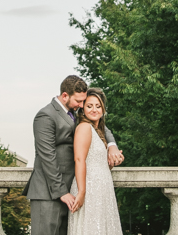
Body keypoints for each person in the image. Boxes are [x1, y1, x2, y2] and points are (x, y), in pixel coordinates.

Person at [24, 76, 124, 235]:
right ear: (65, 96)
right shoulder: (45, 116)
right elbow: (47, 157)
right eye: (79, 101)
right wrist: (62, 192)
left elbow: (103, 127)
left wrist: (112, 146)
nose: (82, 105)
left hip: (71, 191)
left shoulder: (76, 113)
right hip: (48, 192)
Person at [67, 87, 123, 235]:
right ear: (82, 108)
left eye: (98, 106)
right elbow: (79, 160)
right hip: (90, 190)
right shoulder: (84, 127)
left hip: (103, 190)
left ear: (103, 109)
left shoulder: (99, 131)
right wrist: (82, 192)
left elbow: (97, 162)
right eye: (89, 106)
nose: (94, 110)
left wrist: (112, 161)